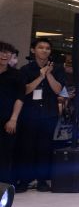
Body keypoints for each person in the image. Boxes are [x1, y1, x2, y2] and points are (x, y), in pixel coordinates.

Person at [15, 38, 66, 192]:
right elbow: (25, 90)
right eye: (41, 47)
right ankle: (24, 180)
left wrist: (49, 74)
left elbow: (58, 90)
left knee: (45, 148)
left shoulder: (57, 69)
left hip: (49, 114)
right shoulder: (26, 69)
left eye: (47, 48)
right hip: (29, 114)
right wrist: (41, 76)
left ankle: (42, 180)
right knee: (26, 148)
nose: (44, 50)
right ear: (33, 50)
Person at [0, 42, 23, 186]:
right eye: (1, 52)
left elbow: (20, 98)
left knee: (5, 153)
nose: (4, 55)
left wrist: (13, 119)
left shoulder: (17, 75)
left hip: (7, 119)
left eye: (8, 52)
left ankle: (3, 186)